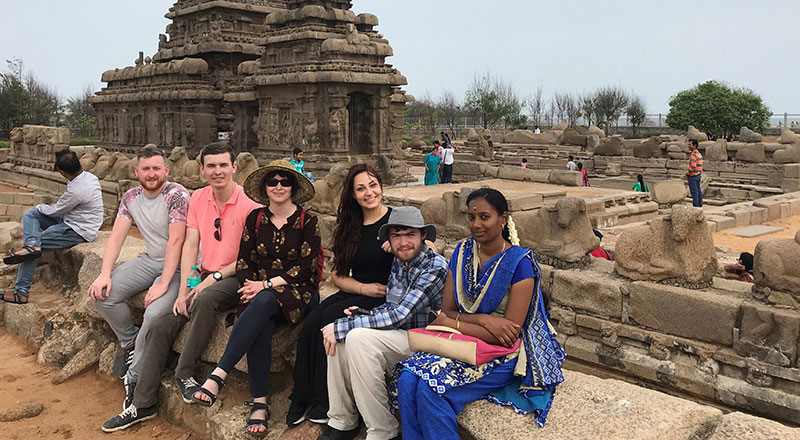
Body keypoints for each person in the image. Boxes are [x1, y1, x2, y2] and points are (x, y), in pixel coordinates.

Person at [101, 142, 260, 432]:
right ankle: (143, 403)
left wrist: (208, 281)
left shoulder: (251, 206)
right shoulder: (198, 198)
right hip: (204, 274)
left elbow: (248, 259)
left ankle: (184, 374)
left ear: (234, 167)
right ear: (201, 170)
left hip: (235, 276)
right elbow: (191, 244)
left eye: (223, 165)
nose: (217, 171)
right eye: (211, 166)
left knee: (204, 299)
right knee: (160, 323)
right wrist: (188, 285)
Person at [395, 188, 565, 439]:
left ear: (503, 219)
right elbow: (448, 310)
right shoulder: (461, 253)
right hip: (464, 343)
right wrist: (485, 320)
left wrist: (453, 322)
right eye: (471, 217)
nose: (476, 224)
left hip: (503, 355)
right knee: (407, 380)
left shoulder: (520, 264)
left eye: (485, 217)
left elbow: (506, 335)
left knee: (432, 389)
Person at [191, 160, 319, 437]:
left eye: (285, 182)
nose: (279, 187)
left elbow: (306, 267)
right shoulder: (256, 219)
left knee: (262, 301)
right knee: (260, 321)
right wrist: (252, 284)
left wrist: (265, 284)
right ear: (265, 188)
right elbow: (245, 260)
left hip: (298, 289)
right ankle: (259, 404)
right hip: (258, 289)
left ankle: (219, 374)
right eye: (272, 182)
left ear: (293, 187)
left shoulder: (307, 220)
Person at [317, 206, 448, 440]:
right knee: (341, 337)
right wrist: (361, 315)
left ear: (423, 236)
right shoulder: (400, 261)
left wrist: (346, 327)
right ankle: (342, 419)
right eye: (396, 235)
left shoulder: (434, 267)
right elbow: (391, 306)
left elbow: (401, 315)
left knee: (351, 334)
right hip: (402, 336)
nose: (403, 242)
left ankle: (383, 430)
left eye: (410, 234)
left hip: (427, 341)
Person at [286, 164, 394, 427]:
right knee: (312, 319)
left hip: (386, 298)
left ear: (380, 186)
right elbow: (337, 275)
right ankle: (301, 396)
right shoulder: (350, 225)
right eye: (361, 188)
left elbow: (426, 245)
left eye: (373, 185)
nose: (369, 192)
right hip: (359, 290)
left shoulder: (397, 220)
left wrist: (403, 242)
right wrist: (361, 288)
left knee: (330, 321)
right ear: (353, 195)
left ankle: (325, 401)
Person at [88, 145, 190, 410]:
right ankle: (130, 342)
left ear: (166, 170)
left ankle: (134, 378)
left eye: (157, 168)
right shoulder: (131, 197)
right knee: (103, 294)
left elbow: (177, 241)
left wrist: (164, 284)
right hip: (150, 259)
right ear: (137, 171)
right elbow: (117, 237)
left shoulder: (177, 194)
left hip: (180, 265)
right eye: (146, 169)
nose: (151, 174)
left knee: (155, 313)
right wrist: (104, 274)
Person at [1, 150, 103, 304]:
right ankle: (32, 245)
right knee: (31, 215)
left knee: (32, 250)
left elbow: (56, 210)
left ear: (62, 172)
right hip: (70, 219)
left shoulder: (78, 190)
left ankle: (21, 292)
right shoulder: (89, 177)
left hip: (77, 230)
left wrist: (40, 206)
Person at [687, 139, 704, 207]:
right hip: (698, 175)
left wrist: (688, 173)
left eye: (690, 145)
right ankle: (699, 204)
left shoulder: (693, 155)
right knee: (698, 190)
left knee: (694, 192)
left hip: (693, 175)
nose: (688, 146)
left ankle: (695, 206)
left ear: (694, 145)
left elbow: (693, 167)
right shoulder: (699, 154)